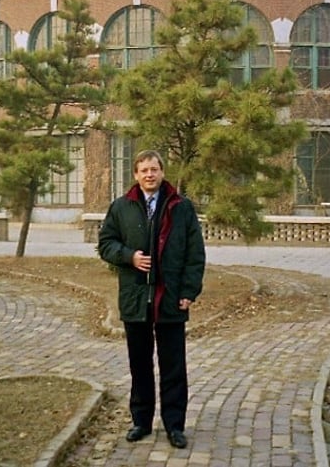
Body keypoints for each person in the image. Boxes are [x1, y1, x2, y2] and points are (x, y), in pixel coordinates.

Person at [97, 149, 206, 449]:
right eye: (143, 170)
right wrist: (129, 256)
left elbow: (195, 254)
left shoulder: (181, 207)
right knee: (139, 364)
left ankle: (174, 426)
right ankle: (141, 422)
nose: (149, 174)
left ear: (162, 172)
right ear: (135, 174)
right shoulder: (121, 207)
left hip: (170, 298)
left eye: (154, 169)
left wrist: (188, 292)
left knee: (173, 365)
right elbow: (105, 244)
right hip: (135, 298)